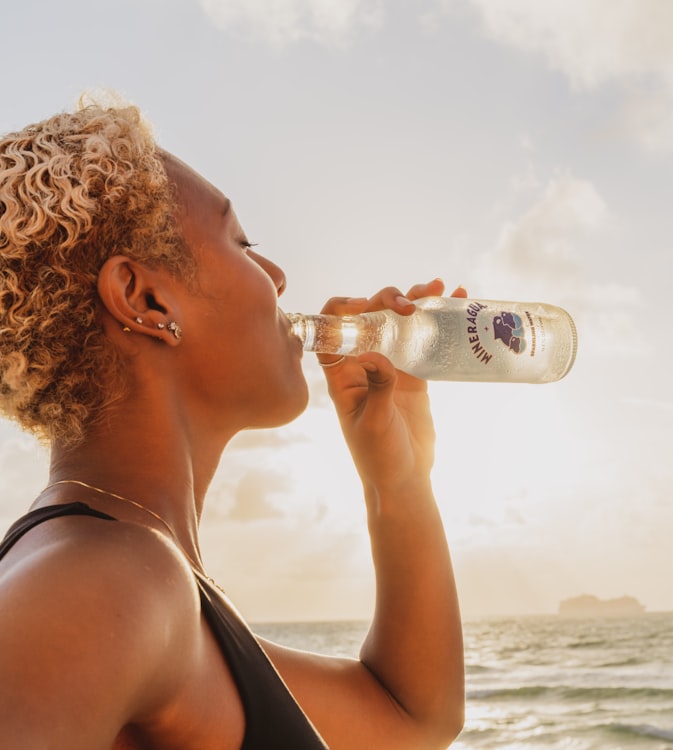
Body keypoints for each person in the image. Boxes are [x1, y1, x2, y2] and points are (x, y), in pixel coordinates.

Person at [0, 99, 465, 749]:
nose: (277, 277)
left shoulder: (148, 582)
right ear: (145, 299)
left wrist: (399, 479)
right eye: (242, 243)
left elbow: (412, 716)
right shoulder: (107, 578)